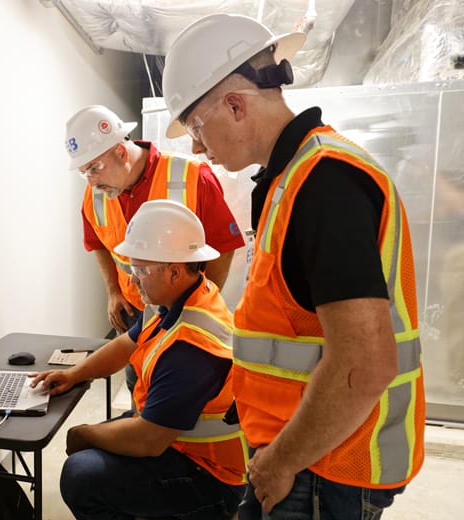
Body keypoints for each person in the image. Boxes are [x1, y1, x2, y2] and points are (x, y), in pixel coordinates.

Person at [161, 13, 425, 519]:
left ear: (235, 105)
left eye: (194, 127)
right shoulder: (292, 176)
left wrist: (281, 461)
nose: (195, 146)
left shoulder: (324, 182)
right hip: (300, 449)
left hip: (324, 465)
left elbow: (363, 363)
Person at [31, 199, 248, 520]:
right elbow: (126, 345)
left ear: (174, 271)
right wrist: (75, 373)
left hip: (210, 477)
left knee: (80, 474)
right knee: (98, 443)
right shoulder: (179, 299)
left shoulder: (191, 348)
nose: (132, 280)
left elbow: (149, 441)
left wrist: (84, 433)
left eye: (139, 271)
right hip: (179, 442)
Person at [65, 105, 245, 393]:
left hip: (183, 314)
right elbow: (97, 242)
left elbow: (224, 246)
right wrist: (113, 291)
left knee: (176, 392)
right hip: (136, 312)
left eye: (95, 168)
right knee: (140, 381)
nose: (92, 181)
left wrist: (193, 307)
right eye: (84, 172)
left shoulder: (192, 176)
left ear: (121, 152)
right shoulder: (97, 193)